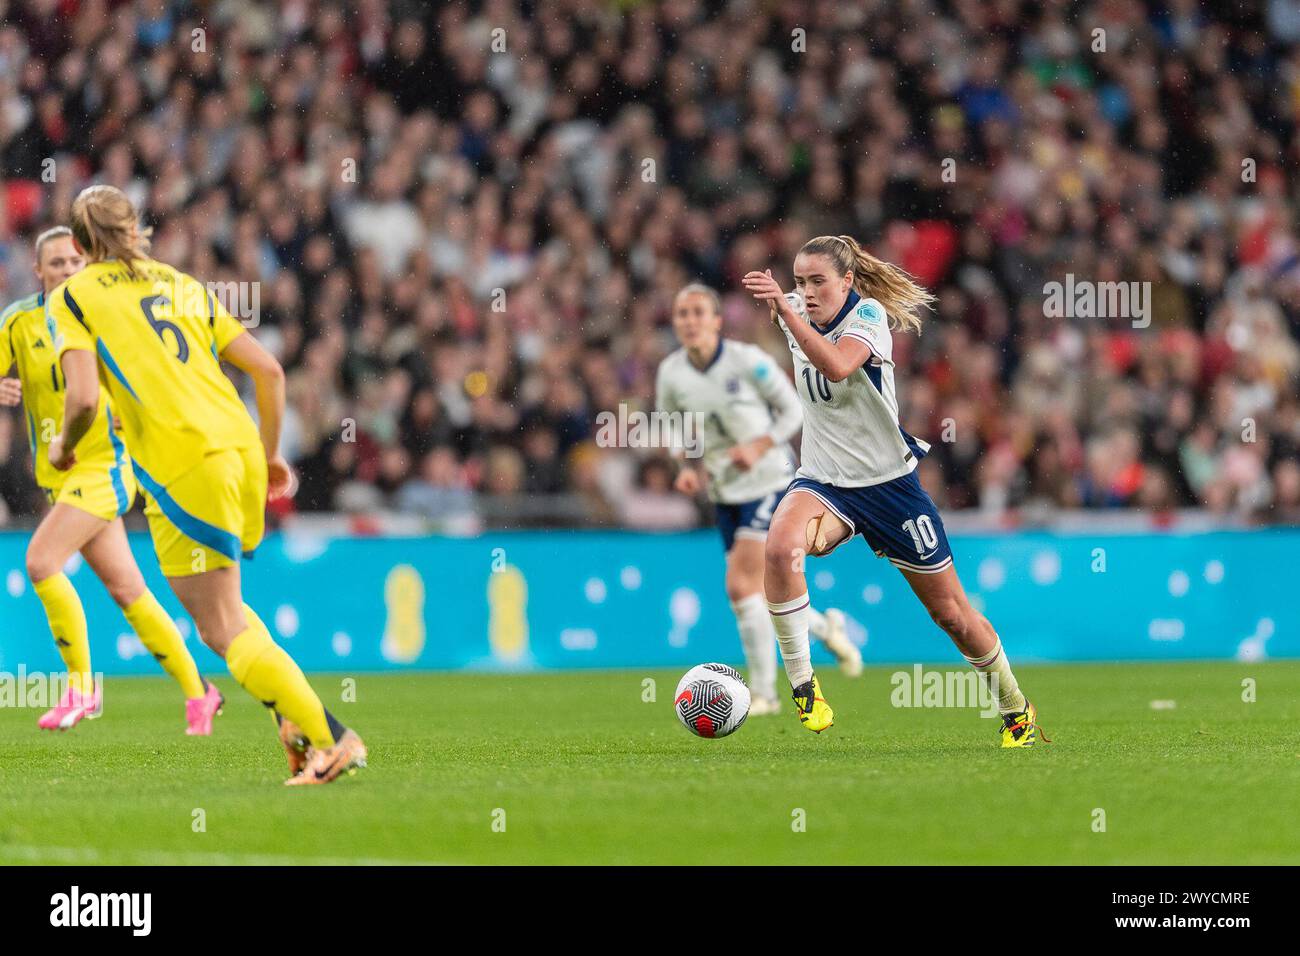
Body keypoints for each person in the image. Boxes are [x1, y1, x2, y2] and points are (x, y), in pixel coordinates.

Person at [45, 184, 366, 783]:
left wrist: (64, 445)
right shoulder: (179, 282)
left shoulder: (73, 298)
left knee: (221, 626)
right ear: (132, 226)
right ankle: (298, 729)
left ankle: (334, 738)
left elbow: (84, 396)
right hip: (237, 447)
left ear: (81, 243)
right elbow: (268, 371)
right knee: (225, 609)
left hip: (185, 462)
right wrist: (269, 456)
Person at [742, 236, 1046, 746]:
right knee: (780, 549)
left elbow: (837, 365)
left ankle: (1015, 707)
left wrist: (786, 313)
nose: (806, 292)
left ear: (848, 282)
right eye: (799, 282)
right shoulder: (792, 308)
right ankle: (803, 687)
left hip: (890, 486)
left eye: (818, 281)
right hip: (824, 479)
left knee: (952, 614)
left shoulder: (869, 318)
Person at [0, 226, 218, 733]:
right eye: (57, 264)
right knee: (128, 589)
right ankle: (199, 692)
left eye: (76, 263)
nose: (68, 272)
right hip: (60, 475)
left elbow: (146, 373)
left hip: (104, 466)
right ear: (39, 272)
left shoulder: (103, 316)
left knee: (41, 560)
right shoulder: (18, 321)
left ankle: (80, 688)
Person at [656, 282, 862, 715]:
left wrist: (759, 445)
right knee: (762, 593)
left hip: (771, 480)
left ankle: (765, 694)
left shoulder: (747, 361)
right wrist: (685, 468)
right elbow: (672, 427)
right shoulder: (672, 372)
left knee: (739, 584)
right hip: (725, 491)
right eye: (682, 314)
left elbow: (792, 410)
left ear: (716, 321)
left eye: (698, 313)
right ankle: (826, 628)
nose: (690, 322)